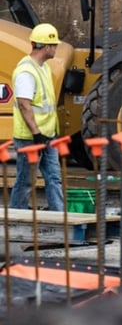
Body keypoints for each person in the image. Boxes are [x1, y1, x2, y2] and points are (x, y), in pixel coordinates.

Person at [9, 22, 64, 211]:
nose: (56, 48)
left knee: (54, 177)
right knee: (26, 181)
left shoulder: (44, 68)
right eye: (54, 45)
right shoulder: (26, 72)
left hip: (47, 135)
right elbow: (25, 105)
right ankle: (16, 217)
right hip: (31, 138)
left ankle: (59, 217)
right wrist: (36, 132)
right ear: (46, 46)